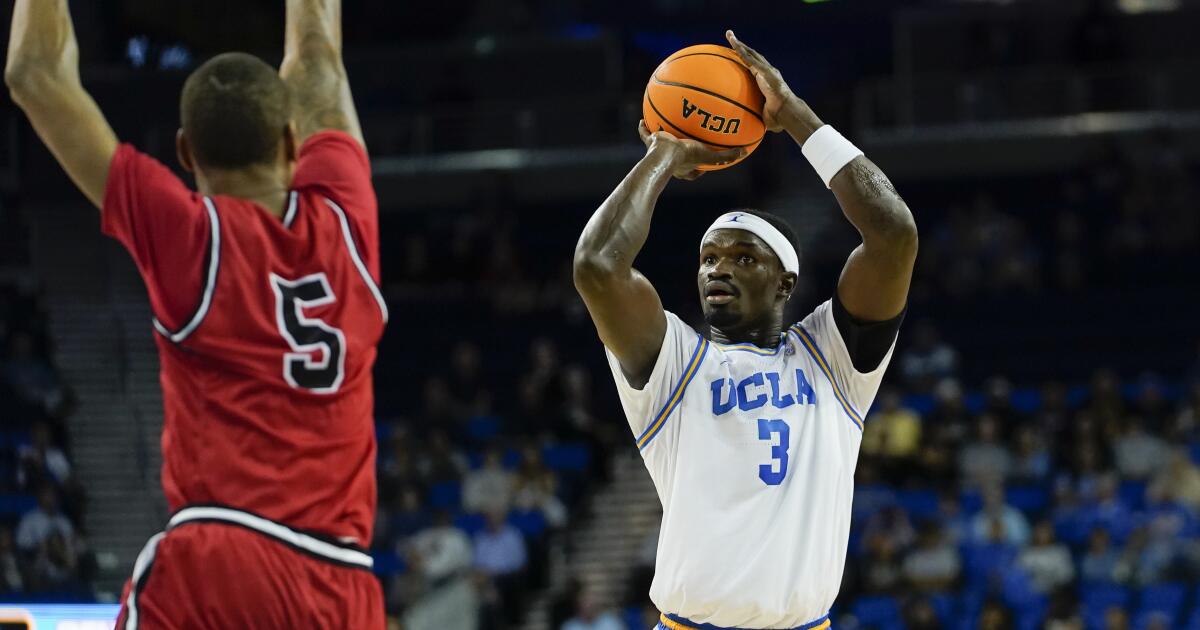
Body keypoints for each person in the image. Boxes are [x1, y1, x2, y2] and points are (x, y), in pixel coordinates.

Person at [5, 0, 386, 627]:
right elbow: (317, 61)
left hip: (219, 560)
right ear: (294, 141)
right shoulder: (349, 222)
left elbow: (34, 74)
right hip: (338, 581)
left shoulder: (187, 234)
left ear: (185, 152)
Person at [573, 30, 917, 629]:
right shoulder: (673, 365)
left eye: (742, 258)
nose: (718, 268)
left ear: (786, 283)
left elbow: (892, 235)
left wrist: (794, 116)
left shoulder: (834, 362)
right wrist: (664, 153)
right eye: (708, 257)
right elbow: (598, 266)